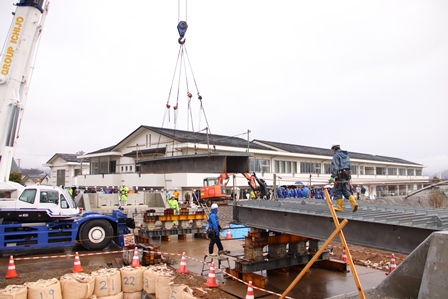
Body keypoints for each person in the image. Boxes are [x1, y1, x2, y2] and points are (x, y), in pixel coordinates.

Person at [329, 143, 358, 212]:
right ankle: (354, 203)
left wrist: (332, 177)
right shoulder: (346, 155)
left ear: (334, 149)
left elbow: (335, 167)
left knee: (337, 191)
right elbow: (349, 165)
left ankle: (339, 207)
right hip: (347, 175)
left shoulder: (336, 155)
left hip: (340, 175)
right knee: (345, 191)